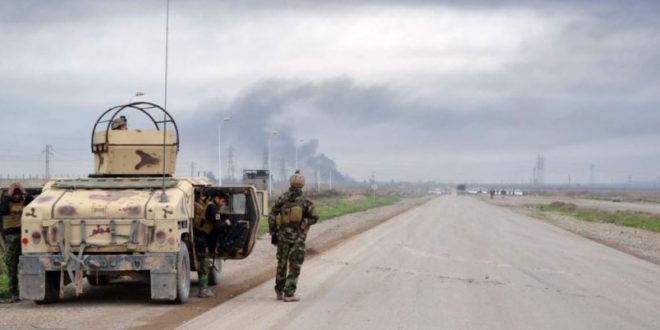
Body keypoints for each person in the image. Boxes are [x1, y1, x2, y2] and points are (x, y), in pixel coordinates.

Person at [268, 170, 319, 302]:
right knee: (295, 265)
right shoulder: (305, 202)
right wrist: (305, 223)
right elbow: (314, 217)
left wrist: (273, 233)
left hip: (282, 237)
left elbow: (272, 216)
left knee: (282, 264)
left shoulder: (281, 199)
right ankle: (289, 293)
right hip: (297, 238)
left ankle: (279, 292)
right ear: (302, 184)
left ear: (290, 182)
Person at [193, 191, 231, 298]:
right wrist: (226, 223)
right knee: (205, 265)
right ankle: (203, 290)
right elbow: (218, 225)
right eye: (222, 201)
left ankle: (203, 287)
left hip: (200, 238)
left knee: (202, 264)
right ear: (217, 198)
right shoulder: (213, 208)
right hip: (203, 240)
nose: (223, 204)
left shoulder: (209, 206)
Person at [0, 182, 34, 302]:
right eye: (15, 194)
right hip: (11, 237)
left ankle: (27, 291)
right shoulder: (5, 203)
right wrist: (8, 195)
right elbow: (3, 210)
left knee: (27, 264)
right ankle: (14, 292)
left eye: (18, 194)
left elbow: (33, 203)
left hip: (24, 236)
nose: (16, 196)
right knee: (12, 267)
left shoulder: (25, 201)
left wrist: (25, 192)